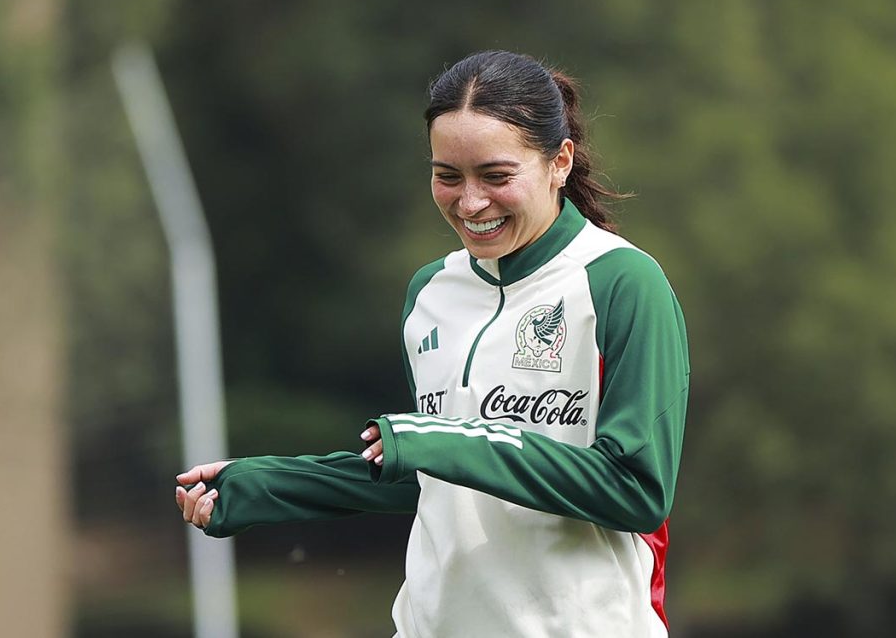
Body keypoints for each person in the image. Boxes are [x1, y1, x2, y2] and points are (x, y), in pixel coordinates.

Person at [176, 50, 690, 638]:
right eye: (448, 176)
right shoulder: (430, 293)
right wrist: (266, 485)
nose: (469, 203)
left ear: (560, 162)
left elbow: (636, 489)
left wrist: (444, 440)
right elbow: (435, 474)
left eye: (496, 177)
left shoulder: (623, 282)